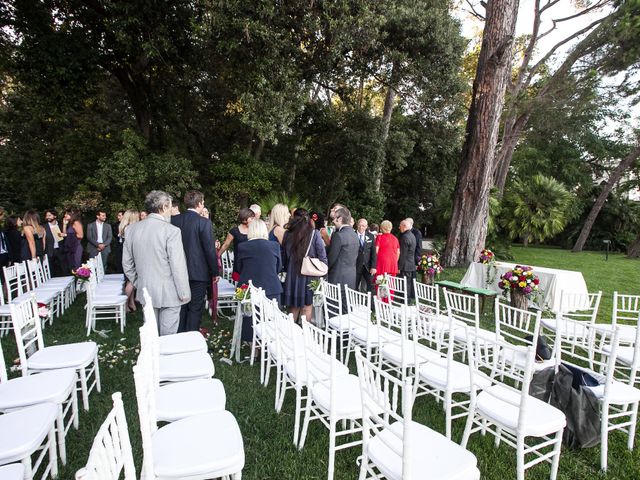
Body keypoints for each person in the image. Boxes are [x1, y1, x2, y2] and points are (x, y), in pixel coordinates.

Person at [122, 190, 190, 336]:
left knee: (151, 335)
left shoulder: (131, 230)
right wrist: (183, 292)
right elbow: (178, 266)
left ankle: (152, 358)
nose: (171, 210)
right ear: (164, 207)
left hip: (145, 290)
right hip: (170, 292)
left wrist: (139, 282)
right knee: (168, 336)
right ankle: (164, 358)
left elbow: (127, 264)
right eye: (170, 206)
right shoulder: (172, 231)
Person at [171, 190, 219, 333]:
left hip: (177, 271)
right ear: (199, 204)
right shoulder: (204, 222)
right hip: (199, 272)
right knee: (195, 307)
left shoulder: (174, 220)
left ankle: (179, 336)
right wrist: (215, 271)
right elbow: (209, 250)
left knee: (181, 306)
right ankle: (190, 340)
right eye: (203, 202)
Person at [236, 219, 282, 340]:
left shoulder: (242, 246)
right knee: (271, 318)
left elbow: (238, 267)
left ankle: (253, 346)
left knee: (250, 317)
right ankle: (269, 342)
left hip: (249, 288)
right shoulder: (274, 245)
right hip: (271, 285)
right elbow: (278, 266)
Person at [283, 208, 327, 322]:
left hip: (292, 273)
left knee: (293, 307)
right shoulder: (314, 233)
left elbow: (285, 256)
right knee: (307, 306)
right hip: (309, 273)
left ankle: (290, 334)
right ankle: (304, 333)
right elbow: (322, 255)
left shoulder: (288, 234)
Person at [327, 207, 359, 297]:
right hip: (351, 278)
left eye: (334, 218)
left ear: (340, 219)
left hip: (337, 279)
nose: (333, 221)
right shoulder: (355, 235)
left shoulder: (338, 236)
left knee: (332, 308)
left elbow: (331, 259)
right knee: (346, 308)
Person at [218, 208, 255, 282]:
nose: (253, 220)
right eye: (251, 218)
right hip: (239, 262)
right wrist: (217, 256)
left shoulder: (254, 230)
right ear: (245, 218)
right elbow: (226, 244)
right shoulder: (234, 231)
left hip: (251, 261)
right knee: (239, 286)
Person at [119, 210, 140, 312]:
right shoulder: (130, 229)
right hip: (131, 258)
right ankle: (124, 304)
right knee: (131, 281)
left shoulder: (125, 228)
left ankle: (130, 303)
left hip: (127, 257)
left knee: (129, 281)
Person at [355, 218, 377, 293]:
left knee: (371, 286)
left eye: (363, 226)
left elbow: (373, 252)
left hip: (368, 266)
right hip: (356, 266)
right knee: (354, 286)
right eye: (360, 225)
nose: (361, 227)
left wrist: (373, 266)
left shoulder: (370, 236)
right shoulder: (352, 235)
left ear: (366, 226)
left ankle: (371, 303)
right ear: (357, 225)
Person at [43, 209, 67, 277]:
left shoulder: (61, 225)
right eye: (47, 215)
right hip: (49, 251)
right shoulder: (44, 227)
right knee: (51, 271)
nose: (48, 217)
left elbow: (66, 236)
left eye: (50, 215)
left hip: (60, 250)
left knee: (63, 269)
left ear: (55, 216)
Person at [398, 220, 417, 300]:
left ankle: (405, 299)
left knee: (404, 283)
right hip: (411, 263)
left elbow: (403, 254)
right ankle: (407, 298)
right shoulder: (412, 235)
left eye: (400, 226)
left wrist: (399, 267)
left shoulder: (404, 237)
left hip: (405, 264)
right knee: (408, 282)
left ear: (404, 226)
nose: (399, 228)